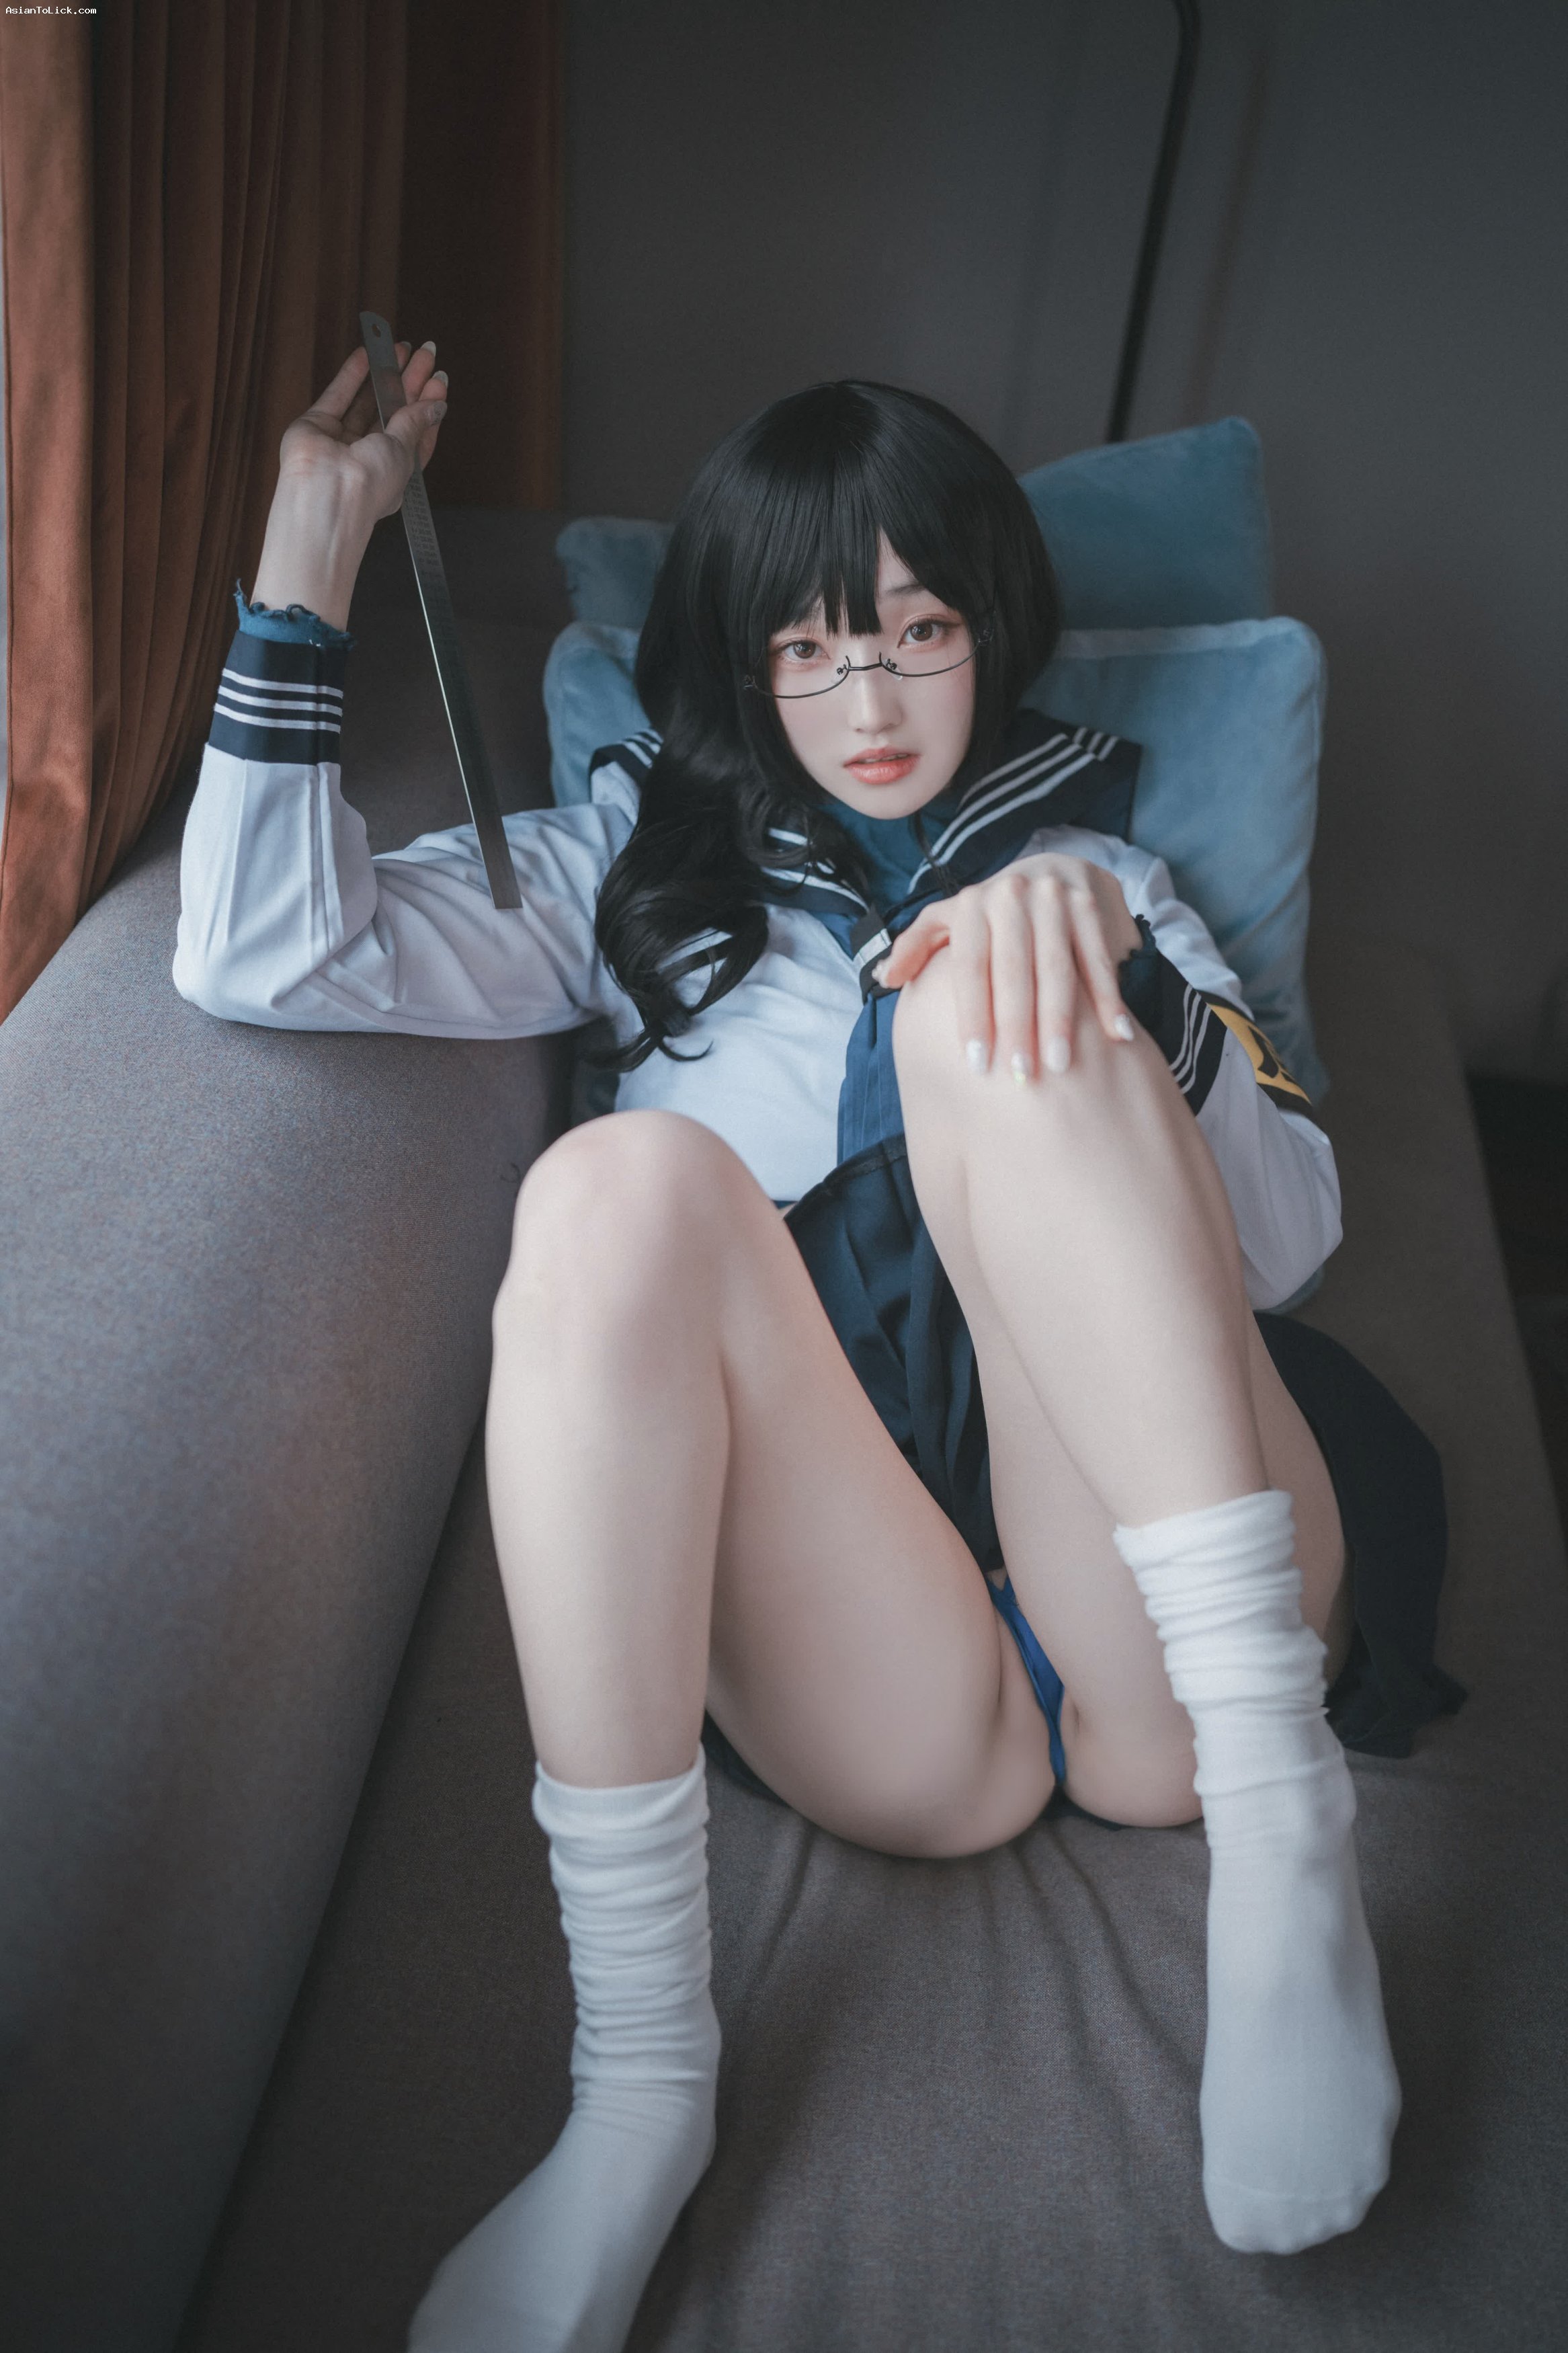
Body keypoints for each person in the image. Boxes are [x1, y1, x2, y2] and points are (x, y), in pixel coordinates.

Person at [175, 340, 1460, 2351]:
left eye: (921, 632)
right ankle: (638, 2099)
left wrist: (1119, 989)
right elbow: (258, 948)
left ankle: (1291, 1855)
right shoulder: (632, 860)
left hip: (1170, 1615)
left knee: (985, 990)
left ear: (991, 632)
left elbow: (1288, 1251)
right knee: (607, 1186)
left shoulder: (1110, 867)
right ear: (744, 662)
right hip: (886, 1663)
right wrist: (310, 546)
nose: (872, 705)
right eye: (809, 648)